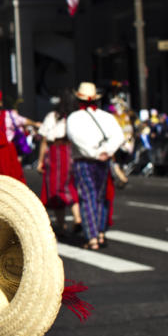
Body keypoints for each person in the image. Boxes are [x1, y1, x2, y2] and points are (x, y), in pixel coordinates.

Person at [66, 82, 124, 250]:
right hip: (103, 160)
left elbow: (76, 138)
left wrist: (93, 152)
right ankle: (99, 232)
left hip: (85, 160)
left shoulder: (74, 118)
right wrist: (106, 151)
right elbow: (119, 136)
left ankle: (92, 237)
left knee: (87, 197)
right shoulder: (106, 117)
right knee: (100, 197)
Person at [36, 91, 81, 235]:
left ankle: (62, 225)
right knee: (70, 184)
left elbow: (44, 140)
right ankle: (77, 217)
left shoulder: (52, 117)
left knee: (55, 188)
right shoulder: (75, 118)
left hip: (55, 152)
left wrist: (40, 161)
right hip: (70, 151)